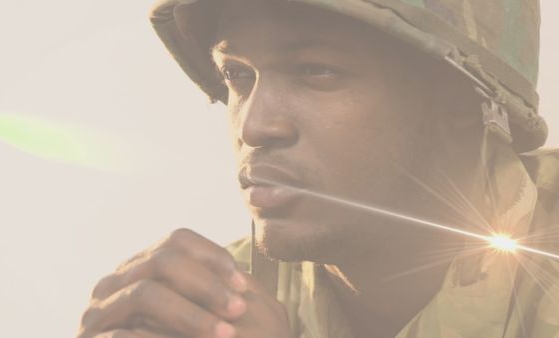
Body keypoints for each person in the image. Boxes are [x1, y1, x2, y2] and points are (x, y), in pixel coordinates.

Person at [77, 0, 559, 337]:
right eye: (238, 76)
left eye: (316, 71)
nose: (255, 125)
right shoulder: (212, 301)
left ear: (458, 100)